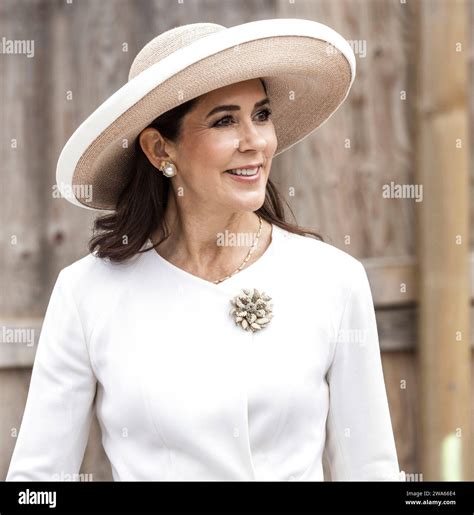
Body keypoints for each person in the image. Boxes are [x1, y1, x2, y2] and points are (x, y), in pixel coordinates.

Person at [6, 18, 405, 481]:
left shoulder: (333, 279)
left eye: (261, 114)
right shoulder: (86, 293)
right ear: (160, 150)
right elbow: (36, 485)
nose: (255, 142)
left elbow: (372, 471)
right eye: (224, 121)